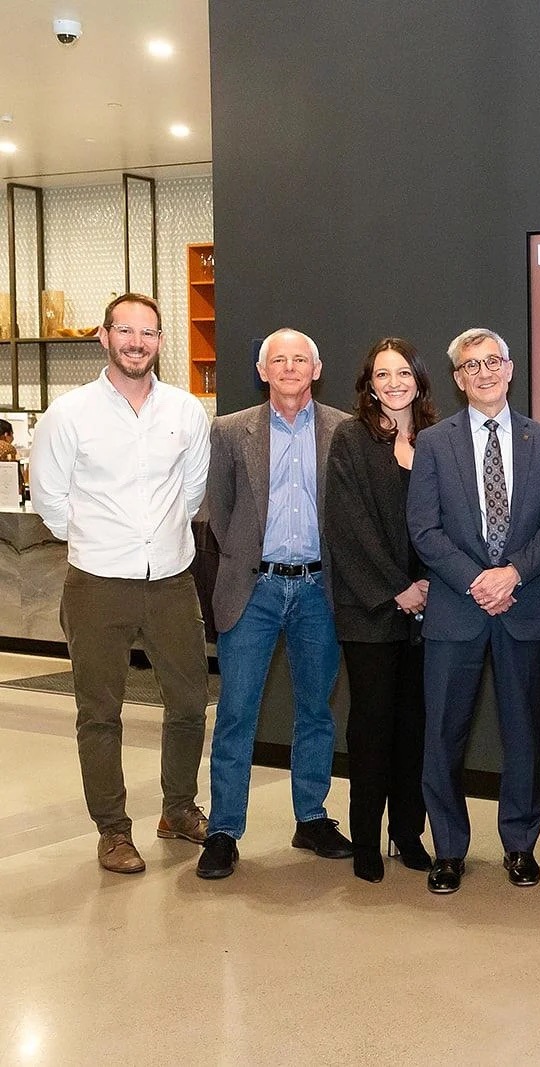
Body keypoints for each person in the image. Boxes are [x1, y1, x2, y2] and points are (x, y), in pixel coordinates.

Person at [31, 293, 211, 873]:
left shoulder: (185, 413)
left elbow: (191, 493)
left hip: (170, 580)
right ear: (105, 337)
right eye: (126, 331)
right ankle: (112, 829)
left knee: (188, 701)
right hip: (97, 583)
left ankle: (178, 809)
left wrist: (156, 541)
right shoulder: (70, 413)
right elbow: (52, 500)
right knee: (99, 711)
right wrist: (101, 541)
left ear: (162, 341)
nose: (137, 342)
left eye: (149, 332)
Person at [408, 327, 540, 895]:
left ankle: (520, 844)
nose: (484, 373)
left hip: (523, 607)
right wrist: (477, 579)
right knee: (444, 736)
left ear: (511, 368)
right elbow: (424, 530)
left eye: (493, 362)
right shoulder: (433, 443)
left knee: (522, 733)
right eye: (471, 366)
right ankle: (449, 849)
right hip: (456, 611)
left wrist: (512, 574)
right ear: (457, 379)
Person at [198, 328, 354, 879]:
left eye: (300, 360)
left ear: (317, 368)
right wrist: (244, 561)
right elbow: (218, 512)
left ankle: (310, 818)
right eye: (278, 360)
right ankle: (222, 830)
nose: (289, 368)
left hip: (319, 591)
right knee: (236, 714)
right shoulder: (228, 431)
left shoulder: (345, 430)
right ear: (262, 371)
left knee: (316, 711)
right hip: (253, 590)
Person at [325, 338, 439, 882]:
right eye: (382, 374)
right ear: (369, 383)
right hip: (370, 606)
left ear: (419, 378)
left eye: (403, 373)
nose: (394, 383)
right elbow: (349, 526)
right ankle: (367, 840)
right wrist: (398, 588)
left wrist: (430, 585)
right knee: (371, 725)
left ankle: (408, 833)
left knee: (415, 725)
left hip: (432, 606)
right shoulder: (351, 438)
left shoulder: (440, 440)